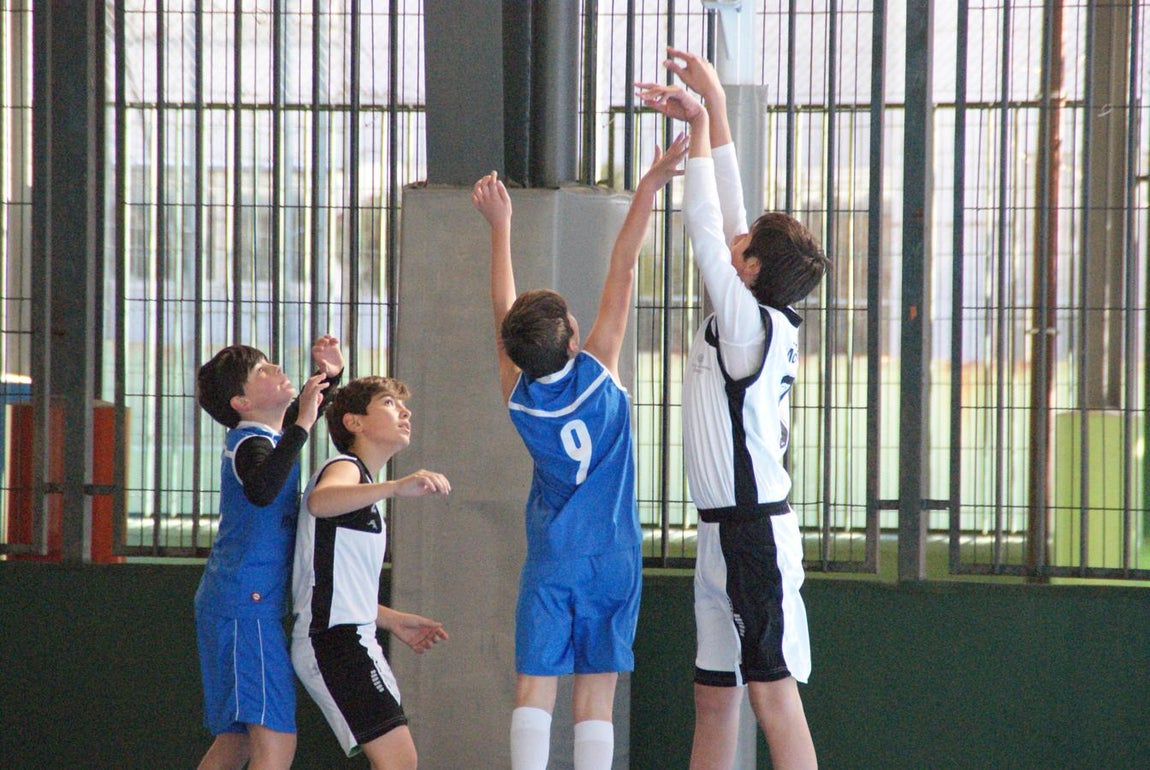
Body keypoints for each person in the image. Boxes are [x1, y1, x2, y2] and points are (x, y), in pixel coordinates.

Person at [471, 133, 689, 770]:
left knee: (534, 685)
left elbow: (500, 309)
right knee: (597, 692)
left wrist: (500, 227)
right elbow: (622, 267)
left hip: (552, 556)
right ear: (571, 342)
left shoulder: (519, 396)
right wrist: (648, 185)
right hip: (614, 554)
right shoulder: (599, 370)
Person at [638, 47, 829, 770]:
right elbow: (732, 212)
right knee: (714, 697)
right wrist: (711, 107)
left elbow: (702, 223)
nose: (734, 237)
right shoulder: (755, 306)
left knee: (772, 700)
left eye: (744, 245)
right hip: (720, 534)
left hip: (754, 537)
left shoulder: (749, 322)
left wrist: (699, 130)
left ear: (750, 270)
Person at [193, 334, 344, 770]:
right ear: (241, 401)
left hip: (238, 605)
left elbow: (303, 413)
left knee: (236, 743)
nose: (276, 368)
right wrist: (302, 426)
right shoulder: (249, 443)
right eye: (262, 371)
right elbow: (262, 487)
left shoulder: (268, 435)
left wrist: (330, 376)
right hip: (245, 607)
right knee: (275, 742)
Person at [291, 375, 451, 770]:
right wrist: (396, 487)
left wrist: (390, 619)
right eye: (388, 403)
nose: (405, 411)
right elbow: (320, 502)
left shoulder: (366, 491)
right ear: (354, 423)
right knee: (399, 762)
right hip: (335, 641)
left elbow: (336, 581)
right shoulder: (344, 468)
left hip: (355, 635)